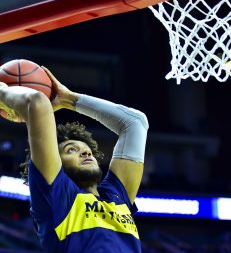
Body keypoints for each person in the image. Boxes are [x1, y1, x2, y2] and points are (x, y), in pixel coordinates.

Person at [0, 66, 149, 253]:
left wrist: (69, 99)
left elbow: (135, 122)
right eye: (72, 150)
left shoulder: (116, 195)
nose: (86, 153)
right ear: (56, 163)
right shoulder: (58, 197)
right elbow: (37, 102)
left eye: (87, 151)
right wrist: (2, 90)